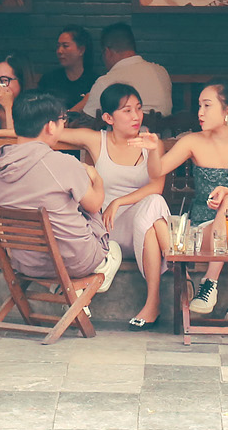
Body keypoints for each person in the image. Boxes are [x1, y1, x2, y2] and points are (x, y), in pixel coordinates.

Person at [143, 79, 228, 334]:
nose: (200, 112)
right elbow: (157, 171)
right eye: (199, 105)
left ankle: (211, 284)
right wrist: (155, 148)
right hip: (202, 231)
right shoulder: (193, 141)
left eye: (207, 105)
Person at [49, 83, 173, 328]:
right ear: (108, 117)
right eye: (127, 111)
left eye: (139, 108)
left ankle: (153, 302)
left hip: (142, 224)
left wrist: (119, 201)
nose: (136, 116)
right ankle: (181, 269)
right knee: (154, 217)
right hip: (110, 231)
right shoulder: (97, 140)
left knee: (153, 208)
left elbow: (156, 187)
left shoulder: (151, 143)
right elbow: (46, 133)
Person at [0, 90, 123, 289]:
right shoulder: (62, 163)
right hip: (73, 262)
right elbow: (94, 205)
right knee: (113, 248)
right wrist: (96, 178)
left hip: (26, 263)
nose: (64, 124)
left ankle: (64, 288)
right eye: (62, 119)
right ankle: (78, 288)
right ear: (49, 126)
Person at [82, 22, 172, 117]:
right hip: (166, 131)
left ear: (107, 52)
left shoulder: (106, 82)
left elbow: (87, 121)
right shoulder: (161, 72)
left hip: (126, 132)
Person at [38, 26, 100, 111]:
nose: (59, 51)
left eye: (65, 46)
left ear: (81, 50)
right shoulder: (49, 79)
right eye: (58, 46)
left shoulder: (95, 82)